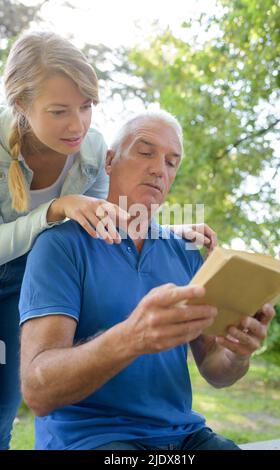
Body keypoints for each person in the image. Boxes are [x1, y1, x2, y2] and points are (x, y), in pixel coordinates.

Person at [0, 32, 216, 450]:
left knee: (4, 411)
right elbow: (70, 215)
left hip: (34, 269)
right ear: (21, 106)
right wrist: (55, 208)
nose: (77, 125)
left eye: (86, 107)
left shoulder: (91, 148)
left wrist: (167, 235)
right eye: (60, 110)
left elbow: (110, 217)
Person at [19, 110, 276, 451]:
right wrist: (132, 337)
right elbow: (38, 390)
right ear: (110, 160)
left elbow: (216, 370)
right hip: (92, 439)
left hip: (184, 437)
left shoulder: (186, 252)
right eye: (145, 152)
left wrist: (238, 353)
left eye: (172, 162)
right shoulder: (61, 245)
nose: (159, 169)